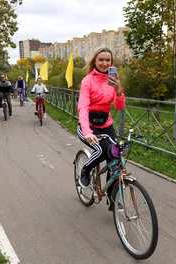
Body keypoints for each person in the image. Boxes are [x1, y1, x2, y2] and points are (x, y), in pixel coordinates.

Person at [77, 46, 125, 210]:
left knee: (115, 156)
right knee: (103, 150)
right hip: (88, 126)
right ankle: (85, 170)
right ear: (94, 61)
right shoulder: (87, 81)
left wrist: (118, 90)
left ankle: (112, 198)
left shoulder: (113, 81)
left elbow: (119, 107)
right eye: (101, 60)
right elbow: (83, 107)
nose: (104, 63)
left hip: (106, 124)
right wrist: (87, 132)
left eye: (107, 60)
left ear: (111, 63)